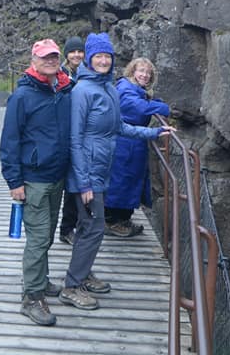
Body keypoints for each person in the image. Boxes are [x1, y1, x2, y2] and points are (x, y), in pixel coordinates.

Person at [60, 33, 173, 312]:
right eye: (98, 56)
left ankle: (82, 273)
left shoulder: (109, 88)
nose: (102, 60)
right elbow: (74, 139)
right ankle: (72, 286)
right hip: (86, 174)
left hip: (101, 170)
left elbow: (119, 127)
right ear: (88, 58)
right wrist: (83, 183)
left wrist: (154, 131)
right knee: (93, 227)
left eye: (107, 56)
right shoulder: (82, 91)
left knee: (91, 228)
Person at [0, 39, 73, 326]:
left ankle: (40, 281)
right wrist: (14, 181)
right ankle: (31, 298)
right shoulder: (22, 96)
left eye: (54, 57)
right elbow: (9, 142)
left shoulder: (63, 89)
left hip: (56, 176)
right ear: (33, 60)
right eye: (45, 58)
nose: (51, 61)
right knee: (39, 239)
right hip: (33, 179)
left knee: (47, 235)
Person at [104, 58, 171, 237]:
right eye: (141, 71)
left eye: (148, 73)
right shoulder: (126, 89)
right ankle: (111, 221)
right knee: (121, 181)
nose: (145, 75)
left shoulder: (133, 89)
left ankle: (122, 219)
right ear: (132, 71)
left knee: (128, 180)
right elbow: (139, 108)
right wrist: (163, 107)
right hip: (125, 142)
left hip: (132, 142)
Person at [57, 35, 86, 245]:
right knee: (69, 185)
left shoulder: (87, 73)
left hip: (81, 134)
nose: (76, 55)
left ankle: (72, 226)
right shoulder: (61, 74)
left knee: (76, 183)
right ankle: (66, 229)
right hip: (66, 134)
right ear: (66, 54)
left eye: (79, 51)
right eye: (73, 51)